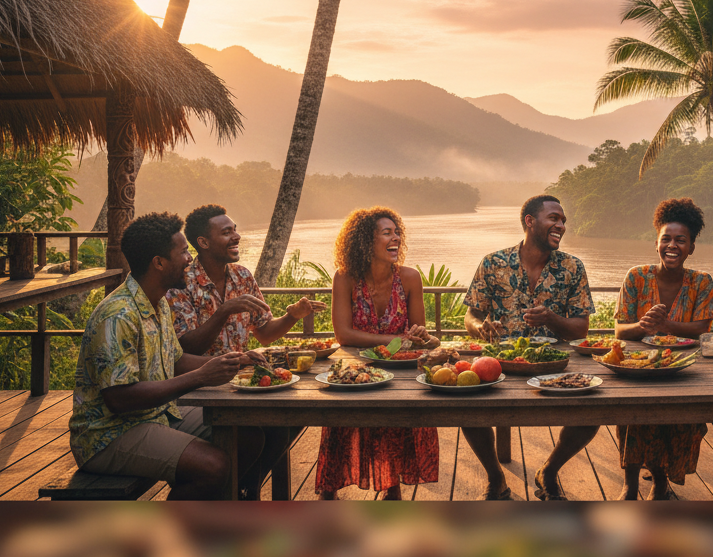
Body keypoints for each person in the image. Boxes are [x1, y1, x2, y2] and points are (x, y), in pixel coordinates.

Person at [69, 212, 265, 500]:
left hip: (156, 415)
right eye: (184, 251)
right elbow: (120, 399)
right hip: (108, 434)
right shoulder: (118, 315)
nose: (190, 259)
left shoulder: (158, 303)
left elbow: (175, 361)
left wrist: (238, 361)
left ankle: (221, 514)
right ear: (158, 262)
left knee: (248, 435)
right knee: (214, 466)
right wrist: (200, 377)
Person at [166, 203, 328, 500]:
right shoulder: (181, 282)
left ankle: (246, 486)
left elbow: (264, 333)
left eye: (235, 229)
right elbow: (185, 347)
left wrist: (292, 315)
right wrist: (223, 312)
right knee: (252, 431)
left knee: (290, 419)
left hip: (242, 382)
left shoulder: (242, 276)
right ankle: (232, 491)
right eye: (226, 232)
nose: (236, 236)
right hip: (200, 385)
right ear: (203, 242)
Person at [464, 194, 595, 500]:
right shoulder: (493, 263)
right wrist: (479, 328)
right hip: (500, 363)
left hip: (555, 364)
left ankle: (549, 470)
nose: (561, 225)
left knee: (594, 411)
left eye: (563, 220)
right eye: (554, 218)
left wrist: (550, 318)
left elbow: (581, 329)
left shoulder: (572, 267)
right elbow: (472, 315)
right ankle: (496, 477)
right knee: (466, 407)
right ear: (529, 221)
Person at [314, 207, 439, 499]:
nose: (396, 238)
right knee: (339, 434)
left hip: (398, 371)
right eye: (387, 233)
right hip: (355, 370)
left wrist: (420, 336)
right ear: (365, 241)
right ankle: (326, 503)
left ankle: (391, 496)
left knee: (393, 433)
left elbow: (418, 334)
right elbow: (343, 334)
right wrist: (396, 337)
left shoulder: (409, 278)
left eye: (397, 232)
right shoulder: (344, 278)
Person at [614, 198, 713, 500]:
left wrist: (667, 326)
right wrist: (644, 327)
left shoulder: (701, 282)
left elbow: (702, 329)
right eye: (666, 239)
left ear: (691, 247)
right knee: (634, 416)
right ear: (656, 243)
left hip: (685, 369)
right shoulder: (636, 276)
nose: (672, 246)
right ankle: (630, 486)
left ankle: (661, 483)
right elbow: (620, 330)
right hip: (638, 367)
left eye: (680, 240)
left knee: (680, 419)